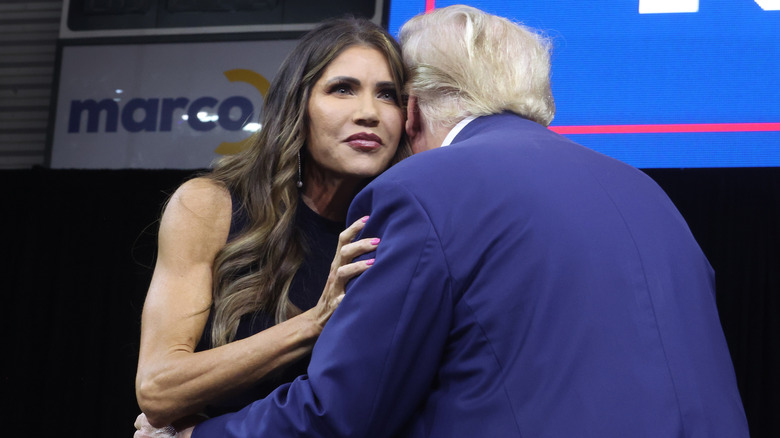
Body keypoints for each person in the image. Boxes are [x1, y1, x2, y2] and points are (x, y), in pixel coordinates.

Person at [182, 5, 750, 437]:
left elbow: (347, 407)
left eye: (390, 95)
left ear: (413, 109)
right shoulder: (645, 189)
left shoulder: (421, 188)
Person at [133, 17, 409, 435]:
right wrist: (315, 321)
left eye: (388, 95)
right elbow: (158, 389)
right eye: (342, 89)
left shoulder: (403, 231)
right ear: (297, 105)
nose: (369, 113)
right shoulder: (210, 206)